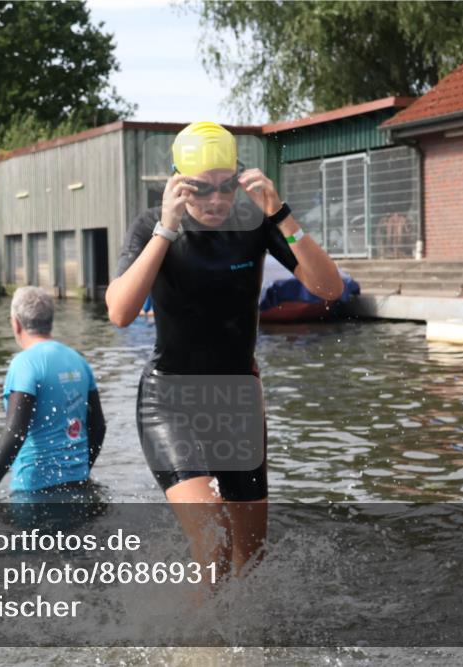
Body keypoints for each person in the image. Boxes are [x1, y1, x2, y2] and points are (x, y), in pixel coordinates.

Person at [106, 121, 344, 581]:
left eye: (225, 187)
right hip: (170, 399)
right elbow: (120, 312)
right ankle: (195, 649)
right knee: (213, 539)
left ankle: (242, 647)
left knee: (249, 559)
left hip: (237, 400)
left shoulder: (254, 224)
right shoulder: (149, 226)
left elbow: (328, 288)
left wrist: (281, 214)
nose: (215, 201)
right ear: (177, 183)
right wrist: (166, 230)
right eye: (200, 189)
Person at [0, 287, 106, 501]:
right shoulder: (78, 361)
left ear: (15, 323)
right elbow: (98, 427)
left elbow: (16, 430)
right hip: (78, 485)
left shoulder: (24, 364)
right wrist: (82, 468)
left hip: (33, 490)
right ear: (50, 321)